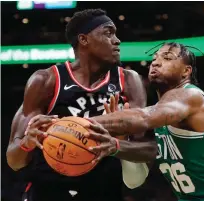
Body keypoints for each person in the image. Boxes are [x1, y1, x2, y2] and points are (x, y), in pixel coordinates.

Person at [6, 9, 154, 201]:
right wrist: (27, 143)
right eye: (108, 33)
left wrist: (121, 136)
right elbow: (14, 161)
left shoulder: (129, 81)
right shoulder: (46, 80)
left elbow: (143, 154)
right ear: (83, 40)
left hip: (104, 189)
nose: (117, 40)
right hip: (48, 189)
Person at [86, 42, 204, 201]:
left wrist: (76, 123)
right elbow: (134, 181)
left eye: (167, 57)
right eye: (154, 58)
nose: (156, 62)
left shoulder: (190, 96)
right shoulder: (162, 114)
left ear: (186, 71)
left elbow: (142, 118)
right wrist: (118, 143)